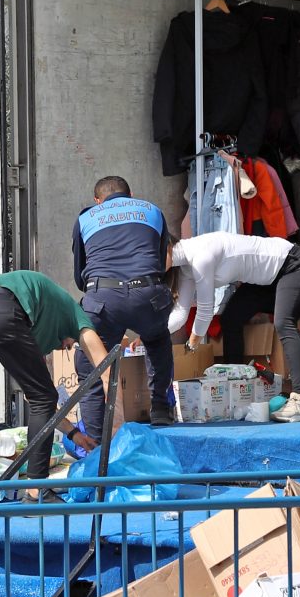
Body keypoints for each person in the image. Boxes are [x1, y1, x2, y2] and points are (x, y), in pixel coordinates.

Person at [0, 268, 110, 472]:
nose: (61, 348)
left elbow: (34, 400)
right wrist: (117, 426)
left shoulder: (36, 327)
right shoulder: (73, 313)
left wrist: (73, 433)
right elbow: (106, 366)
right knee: (45, 397)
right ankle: (36, 491)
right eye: (68, 345)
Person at [169, 230, 300, 421]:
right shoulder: (184, 268)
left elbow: (205, 311)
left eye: (150, 256)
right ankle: (235, 389)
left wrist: (190, 346)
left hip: (292, 264)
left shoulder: (200, 255)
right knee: (231, 318)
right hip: (267, 280)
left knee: (283, 322)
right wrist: (149, 333)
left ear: (166, 247)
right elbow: (180, 314)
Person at [71, 175, 176, 426]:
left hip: (103, 298)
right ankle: (160, 408)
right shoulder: (152, 211)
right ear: (131, 196)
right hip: (148, 294)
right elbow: (161, 262)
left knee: (90, 365)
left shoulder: (86, 217)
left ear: (98, 201)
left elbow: (79, 272)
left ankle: (95, 443)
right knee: (157, 338)